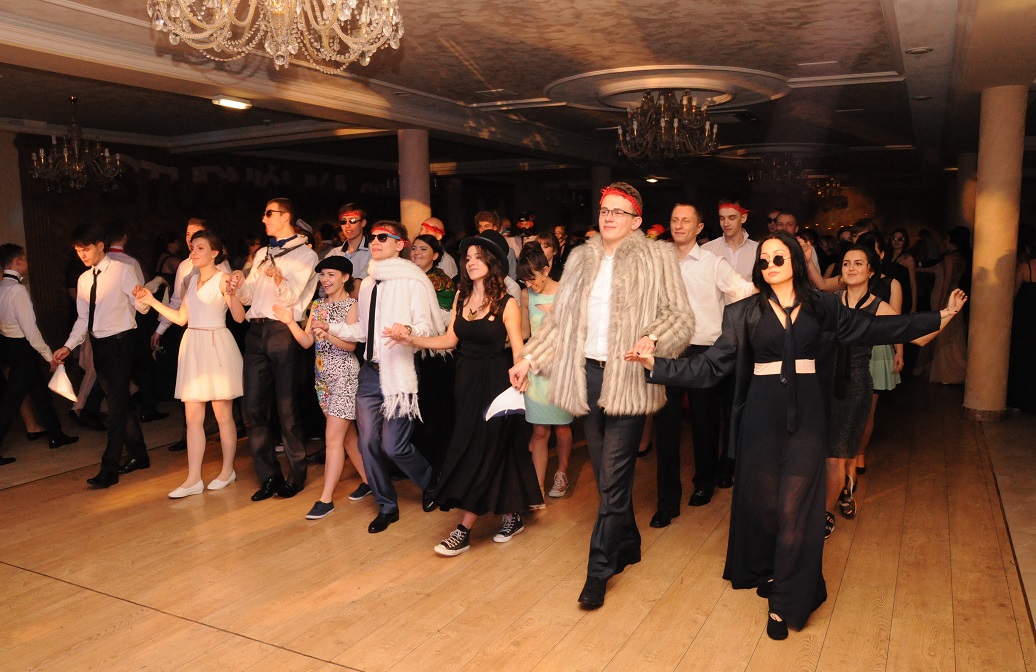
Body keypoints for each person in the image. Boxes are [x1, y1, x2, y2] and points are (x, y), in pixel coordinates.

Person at [631, 231, 967, 640]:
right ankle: (769, 568)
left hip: (807, 414)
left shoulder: (824, 307)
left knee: (797, 504)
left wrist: (940, 316)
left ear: (794, 260)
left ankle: (786, 600)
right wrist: (657, 365)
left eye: (779, 258)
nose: (770, 265)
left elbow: (876, 328)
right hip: (760, 415)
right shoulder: (743, 312)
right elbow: (712, 365)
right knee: (764, 500)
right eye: (764, 260)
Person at [509, 182, 695, 610]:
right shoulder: (580, 258)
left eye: (618, 211)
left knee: (611, 478)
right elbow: (561, 324)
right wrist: (528, 359)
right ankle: (628, 543)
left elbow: (681, 317)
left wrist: (653, 338)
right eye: (604, 210)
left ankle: (598, 571)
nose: (608, 217)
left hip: (628, 377)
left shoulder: (657, 257)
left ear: (635, 221)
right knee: (608, 476)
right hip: (587, 378)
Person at [388, 234, 541, 555]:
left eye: (478, 257)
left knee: (482, 449)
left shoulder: (507, 303)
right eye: (467, 258)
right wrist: (410, 340)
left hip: (496, 384)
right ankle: (512, 515)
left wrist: (522, 372)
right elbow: (449, 340)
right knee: (491, 448)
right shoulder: (461, 297)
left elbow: (518, 349)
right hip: (466, 382)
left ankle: (463, 529)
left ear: (492, 262)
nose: (471, 262)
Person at [313, 220, 447, 534]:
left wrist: (408, 330)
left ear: (400, 245)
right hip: (370, 374)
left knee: (394, 446)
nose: (375, 241)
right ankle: (387, 505)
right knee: (367, 444)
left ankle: (430, 481)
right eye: (373, 237)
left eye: (383, 237)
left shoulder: (413, 281)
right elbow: (362, 331)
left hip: (399, 371)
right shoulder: (369, 283)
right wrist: (331, 327)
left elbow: (428, 326)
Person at [650, 202, 754, 529]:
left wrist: (733, 335)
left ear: (698, 228)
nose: (679, 225)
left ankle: (704, 483)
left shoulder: (713, 263)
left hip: (703, 351)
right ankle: (667, 501)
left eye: (686, 221)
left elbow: (745, 292)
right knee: (665, 426)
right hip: (666, 349)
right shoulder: (660, 263)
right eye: (674, 220)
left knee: (704, 423)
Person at [133, 230, 244, 498]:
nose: (193, 252)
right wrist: (151, 301)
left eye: (200, 248)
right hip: (193, 344)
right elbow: (181, 318)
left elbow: (240, 318)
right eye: (192, 248)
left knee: (222, 414)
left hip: (216, 344)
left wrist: (233, 294)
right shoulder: (191, 279)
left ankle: (227, 470)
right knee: (192, 417)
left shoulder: (223, 278)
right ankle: (193, 478)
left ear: (215, 253)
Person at [229, 198, 319, 502]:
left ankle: (297, 474)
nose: (264, 218)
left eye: (269, 213)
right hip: (255, 331)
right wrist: (237, 285)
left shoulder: (306, 254)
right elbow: (249, 297)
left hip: (283, 331)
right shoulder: (262, 253)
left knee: (287, 407)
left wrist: (279, 277)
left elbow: (293, 297)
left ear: (286, 216)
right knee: (253, 408)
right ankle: (268, 475)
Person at [52, 224, 154, 488]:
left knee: (116, 407)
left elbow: (142, 308)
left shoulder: (122, 270)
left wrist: (143, 297)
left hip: (121, 344)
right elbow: (83, 319)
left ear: (100, 245)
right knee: (119, 402)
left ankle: (109, 468)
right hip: (98, 345)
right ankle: (139, 454)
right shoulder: (84, 279)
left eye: (85, 249)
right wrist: (68, 346)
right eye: (78, 251)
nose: (82, 255)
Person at [273, 256, 365, 519]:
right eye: (322, 275)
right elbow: (306, 342)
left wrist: (328, 334)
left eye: (331, 274)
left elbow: (351, 346)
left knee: (332, 439)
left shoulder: (352, 305)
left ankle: (326, 500)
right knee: (347, 437)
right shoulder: (317, 305)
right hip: (322, 379)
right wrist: (289, 321)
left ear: (345, 278)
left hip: (344, 376)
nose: (325, 280)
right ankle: (371, 481)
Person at [152, 218, 234, 452]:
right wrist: (160, 327)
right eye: (188, 235)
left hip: (214, 337)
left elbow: (235, 305)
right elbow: (179, 305)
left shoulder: (222, 270)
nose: (190, 241)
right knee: (192, 405)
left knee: (221, 403)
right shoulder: (185, 269)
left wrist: (237, 285)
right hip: (192, 336)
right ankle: (191, 446)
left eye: (197, 237)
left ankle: (227, 458)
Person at [0, 244, 78, 465]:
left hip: (9, 346)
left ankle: (55, 434)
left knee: (40, 393)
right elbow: (31, 331)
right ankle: (55, 434)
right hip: (22, 348)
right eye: (25, 259)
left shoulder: (2, 287)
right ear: (17, 261)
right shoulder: (17, 291)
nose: (27, 263)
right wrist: (49, 356)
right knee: (11, 401)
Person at [517, 246, 574, 504]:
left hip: (561, 368)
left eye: (533, 278)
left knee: (562, 427)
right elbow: (524, 333)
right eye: (525, 280)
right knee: (539, 430)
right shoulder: (525, 294)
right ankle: (536, 488)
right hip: (536, 367)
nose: (530, 284)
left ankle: (562, 472)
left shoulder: (565, 292)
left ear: (546, 270)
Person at [702, 198, 759, 281]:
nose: (725, 223)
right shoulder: (707, 250)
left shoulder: (757, 250)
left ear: (743, 218)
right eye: (722, 218)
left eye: (732, 218)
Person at [323, 203, 372, 280]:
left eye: (352, 221)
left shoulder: (373, 251)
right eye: (343, 221)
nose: (347, 225)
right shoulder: (333, 254)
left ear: (363, 223)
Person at [474, 211, 517, 279]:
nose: (483, 230)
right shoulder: (473, 250)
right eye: (480, 227)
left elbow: (513, 276)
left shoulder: (508, 251)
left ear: (495, 227)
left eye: (487, 226)